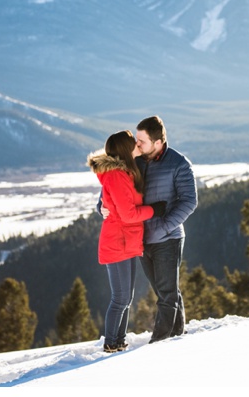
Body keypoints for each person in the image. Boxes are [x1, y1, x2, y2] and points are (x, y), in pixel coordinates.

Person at [102, 116, 197, 343]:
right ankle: (177, 334)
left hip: (167, 237)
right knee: (166, 291)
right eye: (136, 139)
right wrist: (102, 208)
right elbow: (110, 191)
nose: (137, 144)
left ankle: (160, 342)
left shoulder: (179, 164)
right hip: (141, 240)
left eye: (142, 141)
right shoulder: (136, 161)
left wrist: (165, 227)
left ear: (158, 142)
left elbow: (189, 202)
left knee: (166, 294)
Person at [88, 130, 166, 353]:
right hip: (118, 241)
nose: (137, 145)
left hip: (127, 240)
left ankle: (118, 340)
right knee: (120, 298)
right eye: (133, 143)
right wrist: (155, 210)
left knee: (126, 297)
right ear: (124, 148)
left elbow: (108, 202)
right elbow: (128, 214)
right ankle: (111, 342)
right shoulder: (116, 175)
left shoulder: (124, 171)